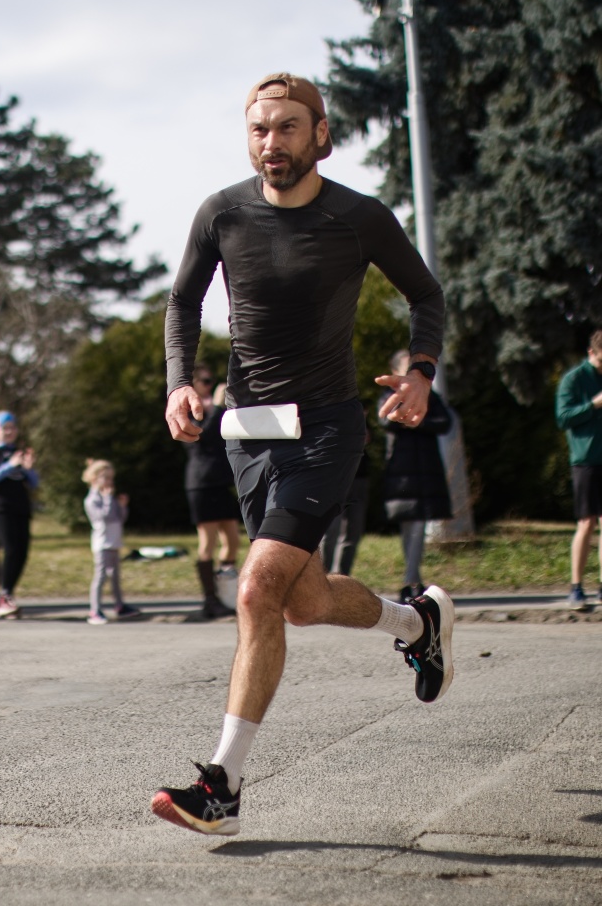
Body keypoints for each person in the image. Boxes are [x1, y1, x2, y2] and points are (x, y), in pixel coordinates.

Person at [153, 72, 455, 836]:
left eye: (288, 126)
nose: (272, 142)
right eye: (260, 129)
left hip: (325, 426)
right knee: (305, 602)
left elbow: (426, 295)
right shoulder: (221, 213)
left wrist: (421, 371)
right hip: (249, 430)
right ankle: (416, 624)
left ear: (321, 133)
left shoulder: (358, 217)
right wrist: (179, 383)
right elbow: (183, 301)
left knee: (257, 588)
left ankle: (222, 784)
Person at [379, 351, 453, 602]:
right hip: (401, 472)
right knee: (408, 526)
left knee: (419, 525)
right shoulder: (389, 395)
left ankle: (411, 580)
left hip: (426, 470)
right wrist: (410, 418)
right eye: (405, 367)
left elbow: (445, 422)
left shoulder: (429, 396)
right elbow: (385, 420)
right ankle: (412, 579)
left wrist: (417, 421)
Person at [183, 366, 240, 619]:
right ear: (193, 384)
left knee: (232, 541)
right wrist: (216, 406)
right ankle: (210, 600)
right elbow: (202, 436)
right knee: (207, 543)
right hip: (202, 483)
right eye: (205, 381)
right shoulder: (189, 409)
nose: (209, 385)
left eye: (211, 381)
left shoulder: (216, 410)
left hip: (221, 483)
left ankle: (227, 595)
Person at [555, 329, 602, 610]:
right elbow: (563, 418)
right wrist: (593, 405)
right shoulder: (573, 379)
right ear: (591, 353)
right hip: (585, 460)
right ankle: (576, 587)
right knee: (586, 523)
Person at [0, 411, 39, 619]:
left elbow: (34, 483)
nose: (9, 431)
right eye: (5, 428)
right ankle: (3, 596)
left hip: (21, 507)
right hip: (1, 508)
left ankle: (8, 593)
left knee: (22, 551)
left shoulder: (19, 453)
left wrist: (28, 469)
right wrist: (9, 466)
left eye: (12, 427)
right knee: (11, 548)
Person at [82, 458, 140, 625]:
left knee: (115, 577)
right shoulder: (91, 500)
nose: (109, 482)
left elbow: (119, 518)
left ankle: (119, 605)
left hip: (114, 542)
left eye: (111, 478)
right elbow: (104, 517)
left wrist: (122, 506)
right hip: (102, 544)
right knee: (100, 577)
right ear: (95, 478)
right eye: (106, 478)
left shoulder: (108, 497)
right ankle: (95, 610)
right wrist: (108, 499)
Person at [320, 402, 371, 577]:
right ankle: (323, 577)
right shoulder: (328, 408)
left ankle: (342, 579)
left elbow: (366, 439)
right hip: (334, 477)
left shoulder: (358, 407)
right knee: (330, 531)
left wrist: (361, 422)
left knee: (353, 533)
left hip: (359, 477)